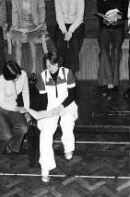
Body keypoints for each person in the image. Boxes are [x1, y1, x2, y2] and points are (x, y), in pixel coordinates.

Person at [35, 51, 78, 183]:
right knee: (45, 134)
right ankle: (45, 168)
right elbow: (42, 99)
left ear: (58, 63)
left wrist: (61, 107)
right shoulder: (42, 76)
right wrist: (47, 113)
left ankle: (68, 149)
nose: (50, 68)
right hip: (50, 108)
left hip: (67, 104)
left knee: (67, 122)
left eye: (53, 65)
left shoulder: (67, 73)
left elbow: (72, 95)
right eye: (47, 65)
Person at [8, 0, 48, 81]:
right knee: (17, 42)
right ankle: (18, 71)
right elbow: (15, 12)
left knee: (32, 41)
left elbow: (41, 8)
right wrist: (15, 26)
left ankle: (34, 71)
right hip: (21, 22)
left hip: (35, 22)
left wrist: (40, 22)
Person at [96, 0, 129, 95]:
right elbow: (100, 17)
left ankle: (114, 82)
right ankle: (108, 81)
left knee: (115, 50)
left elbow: (127, 13)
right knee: (104, 51)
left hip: (118, 28)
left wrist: (119, 17)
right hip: (105, 28)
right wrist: (106, 20)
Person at [0, 60, 30, 154]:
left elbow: (25, 92)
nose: (17, 78)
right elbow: (3, 103)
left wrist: (27, 110)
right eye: (14, 78)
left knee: (24, 128)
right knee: (6, 135)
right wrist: (17, 109)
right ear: (7, 77)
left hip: (13, 106)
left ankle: (12, 145)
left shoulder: (23, 75)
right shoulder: (0, 81)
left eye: (18, 75)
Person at [54, 0, 85, 73]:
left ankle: (71, 74)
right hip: (62, 25)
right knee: (59, 44)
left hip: (76, 25)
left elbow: (79, 18)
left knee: (74, 45)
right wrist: (64, 31)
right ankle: (60, 72)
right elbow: (59, 16)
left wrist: (70, 31)